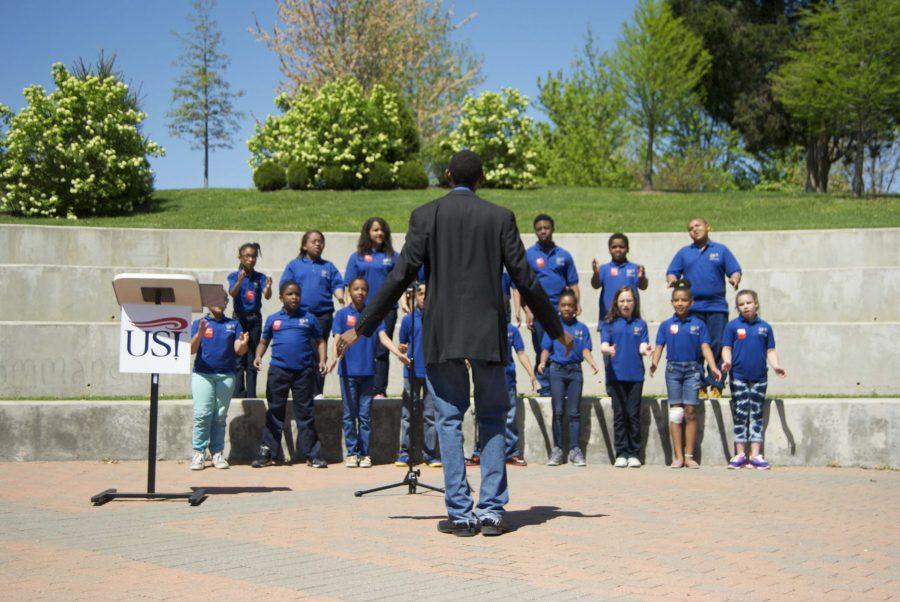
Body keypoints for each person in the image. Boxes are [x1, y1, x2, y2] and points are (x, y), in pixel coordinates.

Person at [337, 150, 570, 537]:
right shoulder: (499, 217)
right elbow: (526, 278)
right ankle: (492, 511)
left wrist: (360, 327)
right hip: (487, 332)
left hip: (442, 330)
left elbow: (398, 277)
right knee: (494, 416)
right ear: (482, 177)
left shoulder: (425, 215)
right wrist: (556, 326)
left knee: (448, 419)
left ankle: (461, 514)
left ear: (447, 176)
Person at [251, 281, 328, 469]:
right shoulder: (273, 319)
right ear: (281, 297)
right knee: (275, 412)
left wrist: (323, 360)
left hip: (303, 372)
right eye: (289, 294)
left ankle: (312, 454)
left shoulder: (309, 318)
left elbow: (320, 341)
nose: (294, 297)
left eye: (297, 294)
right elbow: (263, 341)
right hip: (278, 371)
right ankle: (268, 453)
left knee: (305, 413)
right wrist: (258, 356)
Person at [666, 218, 741, 399]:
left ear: (708, 227)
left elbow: (735, 270)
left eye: (698, 226)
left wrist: (734, 278)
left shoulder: (721, 250)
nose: (694, 230)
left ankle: (716, 384)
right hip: (692, 308)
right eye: (690, 228)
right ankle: (698, 384)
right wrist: (672, 281)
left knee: (717, 344)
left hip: (717, 307)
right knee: (696, 346)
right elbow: (672, 272)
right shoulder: (684, 253)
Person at [649, 280, 722, 469]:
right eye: (676, 300)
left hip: (692, 371)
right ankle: (678, 456)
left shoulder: (698, 325)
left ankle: (689, 456)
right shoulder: (666, 325)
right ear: (672, 302)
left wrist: (713, 367)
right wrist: (654, 363)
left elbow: (705, 347)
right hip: (673, 370)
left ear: (691, 302)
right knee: (676, 413)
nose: (679, 303)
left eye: (683, 300)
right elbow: (658, 347)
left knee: (690, 412)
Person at [721, 290, 787, 470]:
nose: (745, 306)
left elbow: (770, 351)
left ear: (756, 303)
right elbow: (726, 348)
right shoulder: (732, 326)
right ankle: (740, 454)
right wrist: (727, 362)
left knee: (756, 414)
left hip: (759, 378)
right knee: (741, 414)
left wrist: (776, 366)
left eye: (748, 303)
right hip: (739, 377)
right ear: (737, 308)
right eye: (741, 304)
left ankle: (756, 454)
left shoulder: (765, 327)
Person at [379, 282, 441, 468]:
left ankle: (430, 454)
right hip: (411, 372)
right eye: (420, 293)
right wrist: (402, 349)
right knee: (408, 414)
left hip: (432, 373)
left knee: (430, 415)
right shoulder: (408, 320)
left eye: (427, 294)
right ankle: (405, 453)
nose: (423, 297)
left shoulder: (437, 317)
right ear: (413, 298)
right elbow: (402, 344)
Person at [538, 289, 599, 467]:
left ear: (575, 308)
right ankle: (557, 449)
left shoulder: (581, 329)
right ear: (558, 307)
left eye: (570, 305)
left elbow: (585, 350)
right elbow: (546, 349)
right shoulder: (553, 327)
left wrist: (592, 363)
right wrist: (542, 362)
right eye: (563, 305)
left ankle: (575, 450)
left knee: (573, 413)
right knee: (558, 411)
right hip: (556, 371)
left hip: (574, 373)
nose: (567, 308)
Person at [281, 230, 345, 399]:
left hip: (323, 315)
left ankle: (317, 391)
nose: (318, 244)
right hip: (300, 316)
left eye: (321, 241)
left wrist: (340, 297)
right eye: (314, 241)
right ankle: (301, 390)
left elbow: (337, 284)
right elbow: (285, 286)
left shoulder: (328, 266)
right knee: (303, 351)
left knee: (318, 353)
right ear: (304, 245)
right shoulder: (294, 265)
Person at [328, 277, 384, 468]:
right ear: (349, 291)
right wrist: (333, 359)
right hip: (348, 373)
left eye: (364, 289)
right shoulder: (342, 315)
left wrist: (398, 354)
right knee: (349, 414)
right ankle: (352, 453)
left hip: (368, 372)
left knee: (365, 416)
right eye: (356, 289)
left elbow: (383, 338)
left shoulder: (372, 315)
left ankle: (365, 453)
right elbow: (337, 339)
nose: (360, 292)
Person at [188, 299, 249, 470]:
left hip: (226, 376)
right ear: (208, 302)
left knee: (220, 416)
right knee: (202, 413)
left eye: (223, 299)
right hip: (203, 374)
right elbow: (191, 350)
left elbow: (238, 349)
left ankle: (217, 452)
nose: (220, 302)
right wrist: (199, 333)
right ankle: (199, 452)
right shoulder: (199, 323)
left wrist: (243, 344)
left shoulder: (233, 324)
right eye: (216, 299)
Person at [344, 217, 400, 399]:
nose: (380, 233)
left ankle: (379, 390)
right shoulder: (357, 256)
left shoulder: (392, 256)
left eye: (382, 230)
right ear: (367, 233)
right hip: (364, 310)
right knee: (362, 347)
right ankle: (361, 388)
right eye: (375, 230)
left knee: (382, 351)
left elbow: (402, 282)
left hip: (387, 309)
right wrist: (348, 307)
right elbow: (349, 285)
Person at [525, 214, 580, 395]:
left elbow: (573, 283)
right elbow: (522, 285)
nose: (543, 231)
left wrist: (577, 303)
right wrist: (527, 310)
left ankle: (561, 385)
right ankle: (546, 386)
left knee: (561, 348)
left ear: (553, 229)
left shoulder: (564, 255)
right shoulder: (529, 255)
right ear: (535, 231)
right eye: (539, 228)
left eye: (546, 228)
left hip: (561, 311)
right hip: (538, 310)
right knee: (541, 348)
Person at [599, 287, 652, 468]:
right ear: (616, 303)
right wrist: (607, 349)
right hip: (616, 376)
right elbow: (603, 344)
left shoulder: (641, 324)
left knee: (633, 414)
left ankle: (634, 453)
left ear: (634, 302)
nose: (625, 304)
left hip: (635, 376)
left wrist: (645, 350)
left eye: (629, 300)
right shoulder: (609, 323)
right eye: (622, 300)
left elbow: (642, 345)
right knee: (620, 415)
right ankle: (621, 453)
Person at [227, 242, 272, 398]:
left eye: (253, 256)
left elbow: (267, 295)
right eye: (247, 256)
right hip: (239, 318)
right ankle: (238, 393)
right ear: (240, 257)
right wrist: (239, 281)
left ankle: (251, 394)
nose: (251, 259)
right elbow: (232, 293)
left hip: (254, 319)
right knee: (239, 356)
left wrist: (268, 287)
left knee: (252, 356)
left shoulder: (259, 277)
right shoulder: (234, 275)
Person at [591, 233, 648, 325]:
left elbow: (643, 287)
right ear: (609, 250)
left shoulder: (634, 268)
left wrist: (642, 278)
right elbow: (595, 285)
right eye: (614, 247)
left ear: (628, 249)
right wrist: (596, 274)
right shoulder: (604, 268)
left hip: (631, 318)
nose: (618, 249)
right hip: (608, 318)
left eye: (621, 247)